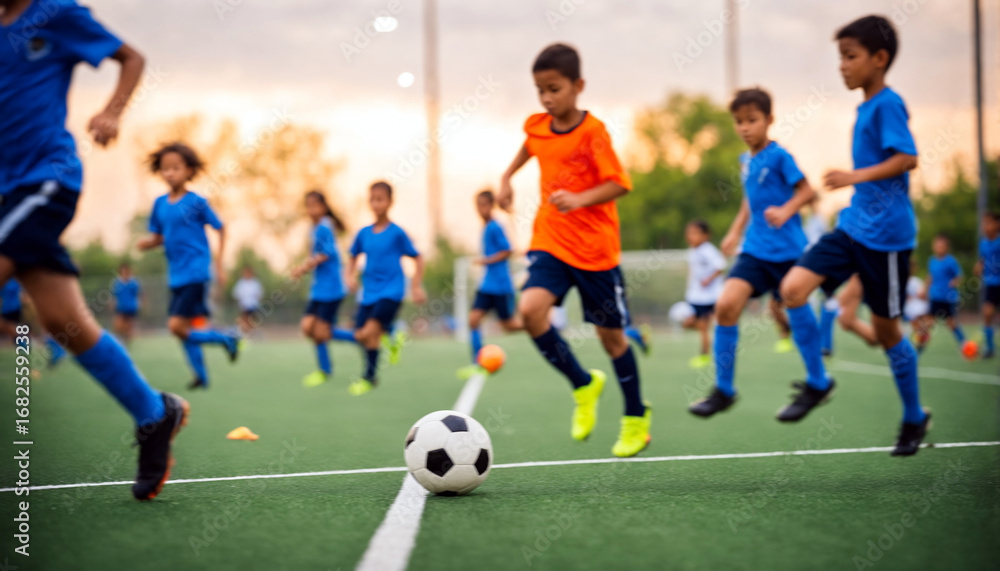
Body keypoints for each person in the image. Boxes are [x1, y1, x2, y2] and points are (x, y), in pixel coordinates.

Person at [0, 0, 185, 500]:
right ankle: (154, 413)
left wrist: (112, 111)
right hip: (5, 192)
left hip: (45, 180)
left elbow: (132, 58)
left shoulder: (54, 13)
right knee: (66, 323)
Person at [778, 15, 929, 456]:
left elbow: (908, 158)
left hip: (887, 240)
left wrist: (853, 176)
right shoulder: (865, 106)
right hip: (852, 228)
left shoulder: (887, 104)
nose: (841, 66)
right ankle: (818, 381)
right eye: (839, 57)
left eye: (850, 56)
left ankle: (914, 417)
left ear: (879, 59)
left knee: (887, 333)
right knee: (792, 289)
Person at [497, 43, 651, 457]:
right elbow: (531, 145)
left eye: (554, 89)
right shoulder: (538, 125)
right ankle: (583, 384)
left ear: (577, 86)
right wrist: (508, 177)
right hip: (550, 241)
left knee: (612, 340)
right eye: (540, 90)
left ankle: (636, 418)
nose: (547, 98)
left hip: (595, 251)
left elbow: (620, 183)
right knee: (530, 312)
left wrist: (581, 199)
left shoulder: (592, 133)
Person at [688, 87, 818, 419]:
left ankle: (818, 379)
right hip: (755, 251)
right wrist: (734, 231)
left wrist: (787, 210)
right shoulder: (746, 160)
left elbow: (808, 191)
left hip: (789, 252)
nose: (745, 127)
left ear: (769, 120)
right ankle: (724, 390)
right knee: (726, 305)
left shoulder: (780, 157)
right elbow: (750, 200)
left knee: (793, 305)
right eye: (739, 121)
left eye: (752, 120)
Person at [138, 142, 240, 390]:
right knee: (186, 328)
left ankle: (227, 338)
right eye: (165, 169)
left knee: (176, 327)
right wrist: (147, 244)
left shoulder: (197, 202)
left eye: (176, 167)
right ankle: (201, 376)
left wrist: (218, 262)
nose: (170, 173)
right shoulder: (159, 204)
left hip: (195, 272)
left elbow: (221, 227)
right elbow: (161, 237)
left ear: (189, 171)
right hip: (176, 276)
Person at [346, 181, 426, 396]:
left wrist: (416, 285)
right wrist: (348, 276)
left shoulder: (397, 233)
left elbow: (418, 257)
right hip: (368, 293)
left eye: (380, 199)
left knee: (368, 332)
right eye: (372, 199)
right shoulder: (363, 233)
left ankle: (370, 371)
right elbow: (352, 257)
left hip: (391, 291)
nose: (375, 204)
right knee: (362, 336)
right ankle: (389, 341)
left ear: (390, 202)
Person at [292, 191, 358, 388]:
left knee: (321, 332)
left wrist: (304, 267)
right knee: (308, 328)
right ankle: (361, 338)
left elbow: (327, 253)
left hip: (332, 288)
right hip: (318, 289)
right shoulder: (313, 229)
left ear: (323, 207)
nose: (311, 210)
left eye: (314, 205)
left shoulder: (325, 225)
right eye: (308, 206)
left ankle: (360, 340)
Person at [458, 189, 523, 379]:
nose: (480, 209)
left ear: (491, 205)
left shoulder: (495, 226)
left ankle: (536, 325)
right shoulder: (485, 227)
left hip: (501, 285)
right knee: (473, 320)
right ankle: (478, 361)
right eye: (478, 205)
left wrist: (485, 261)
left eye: (484, 205)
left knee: (508, 326)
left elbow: (508, 250)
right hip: (487, 285)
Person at [681, 220, 726, 369]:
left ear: (705, 235)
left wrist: (709, 279)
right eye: (689, 233)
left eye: (694, 233)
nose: (690, 237)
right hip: (696, 296)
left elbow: (721, 266)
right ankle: (709, 347)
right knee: (688, 323)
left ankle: (705, 355)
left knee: (704, 326)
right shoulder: (693, 251)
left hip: (709, 297)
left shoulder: (708, 250)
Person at [924, 234, 970, 356]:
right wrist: (924, 288)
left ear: (946, 248)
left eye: (942, 246)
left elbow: (960, 276)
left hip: (948, 298)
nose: (939, 248)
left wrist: (954, 282)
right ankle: (919, 348)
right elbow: (930, 276)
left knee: (951, 323)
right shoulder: (932, 260)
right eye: (937, 245)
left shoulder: (950, 261)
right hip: (935, 297)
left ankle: (964, 344)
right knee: (928, 323)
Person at [975, 211, 1000, 358]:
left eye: (989, 222)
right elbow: (982, 260)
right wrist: (978, 266)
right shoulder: (983, 243)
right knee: (987, 313)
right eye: (984, 223)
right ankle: (990, 347)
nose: (985, 226)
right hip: (991, 284)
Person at [111, 262, 141, 345]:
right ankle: (121, 340)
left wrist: (140, 304)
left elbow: (139, 294)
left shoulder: (133, 283)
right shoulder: (117, 282)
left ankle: (127, 343)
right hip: (120, 307)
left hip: (131, 307)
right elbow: (114, 295)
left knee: (129, 326)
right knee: (118, 326)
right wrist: (112, 303)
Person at [232, 266, 264, 335]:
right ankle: (245, 332)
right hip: (244, 305)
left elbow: (259, 294)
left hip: (253, 305)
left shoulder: (255, 283)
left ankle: (252, 333)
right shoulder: (241, 283)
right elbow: (236, 294)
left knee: (252, 321)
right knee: (244, 320)